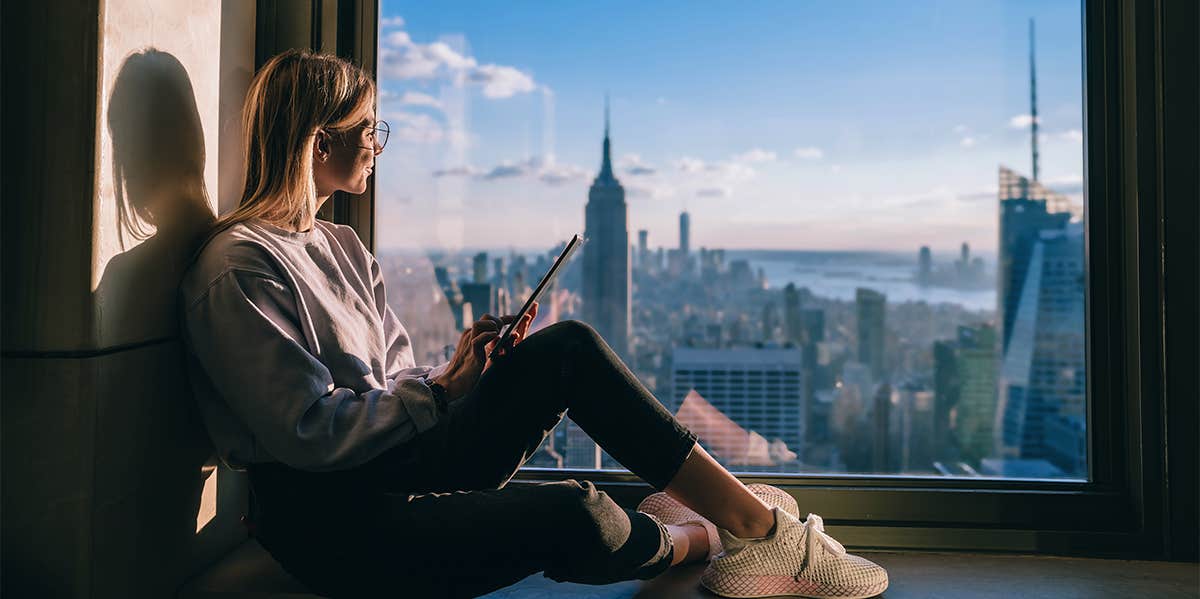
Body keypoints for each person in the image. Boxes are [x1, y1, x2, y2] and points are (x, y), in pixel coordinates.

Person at [179, 49, 888, 599]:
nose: (378, 144)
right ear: (317, 141)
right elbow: (309, 433)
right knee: (572, 513)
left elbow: (393, 381)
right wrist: (438, 394)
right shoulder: (238, 268)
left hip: (398, 462)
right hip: (335, 522)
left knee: (567, 348)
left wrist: (455, 375)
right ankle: (696, 538)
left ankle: (761, 531)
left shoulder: (340, 245)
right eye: (369, 128)